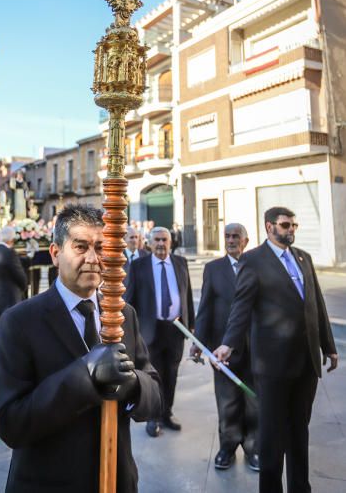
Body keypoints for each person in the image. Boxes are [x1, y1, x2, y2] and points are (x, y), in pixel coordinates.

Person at [0, 204, 161, 492]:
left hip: (116, 479)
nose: (94, 258)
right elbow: (12, 424)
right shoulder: (19, 321)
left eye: (101, 247)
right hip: (50, 482)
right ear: (56, 253)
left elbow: (155, 394)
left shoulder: (123, 314)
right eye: (81, 247)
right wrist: (83, 375)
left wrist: (134, 385)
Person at [214, 206, 338, 493]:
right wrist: (228, 343)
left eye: (294, 225)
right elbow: (241, 306)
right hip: (272, 367)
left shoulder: (303, 258)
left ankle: (299, 487)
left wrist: (328, 346)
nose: (291, 229)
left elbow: (316, 304)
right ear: (269, 227)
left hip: (306, 363)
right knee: (271, 437)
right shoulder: (253, 260)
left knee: (299, 432)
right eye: (285, 225)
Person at [191, 223, 259, 471]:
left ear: (246, 240)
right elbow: (205, 307)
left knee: (254, 402)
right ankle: (227, 448)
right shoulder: (213, 269)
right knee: (227, 401)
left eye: (236, 236)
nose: (231, 240)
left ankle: (254, 449)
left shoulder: (256, 266)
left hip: (255, 348)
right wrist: (199, 342)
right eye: (227, 236)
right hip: (221, 348)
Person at [125, 226, 195, 437]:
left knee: (172, 374)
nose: (161, 244)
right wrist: (131, 332)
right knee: (154, 376)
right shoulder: (139, 266)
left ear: (170, 242)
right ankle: (153, 417)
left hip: (175, 329)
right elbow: (130, 300)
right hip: (150, 330)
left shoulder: (181, 263)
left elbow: (187, 295)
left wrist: (191, 325)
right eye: (157, 240)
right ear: (149, 242)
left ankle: (167, 412)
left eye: (165, 240)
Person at [0, 226, 27, 333]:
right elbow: (20, 277)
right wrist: (24, 287)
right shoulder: (10, 253)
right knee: (11, 333)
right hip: (10, 298)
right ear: (11, 239)